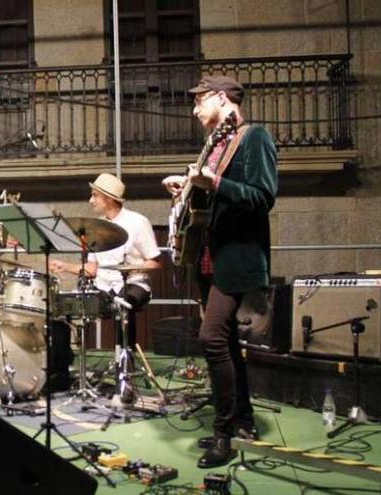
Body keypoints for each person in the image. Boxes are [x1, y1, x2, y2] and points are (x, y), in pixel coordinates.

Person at [162, 74, 277, 468]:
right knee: (225, 343)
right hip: (210, 253)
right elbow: (211, 195)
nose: (194, 110)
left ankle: (224, 432)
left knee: (211, 337)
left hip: (236, 256)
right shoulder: (215, 144)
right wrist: (187, 187)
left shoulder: (253, 137)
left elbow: (263, 197)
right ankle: (243, 421)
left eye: (199, 101)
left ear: (223, 100)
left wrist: (213, 181)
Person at [49, 173, 162, 351]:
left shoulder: (138, 222)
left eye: (95, 195)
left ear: (108, 199)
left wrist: (130, 269)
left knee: (123, 303)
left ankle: (126, 361)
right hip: (103, 285)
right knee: (66, 303)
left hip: (133, 283)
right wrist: (65, 266)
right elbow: (92, 270)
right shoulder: (96, 227)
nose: (90, 200)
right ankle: (68, 359)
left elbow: (154, 263)